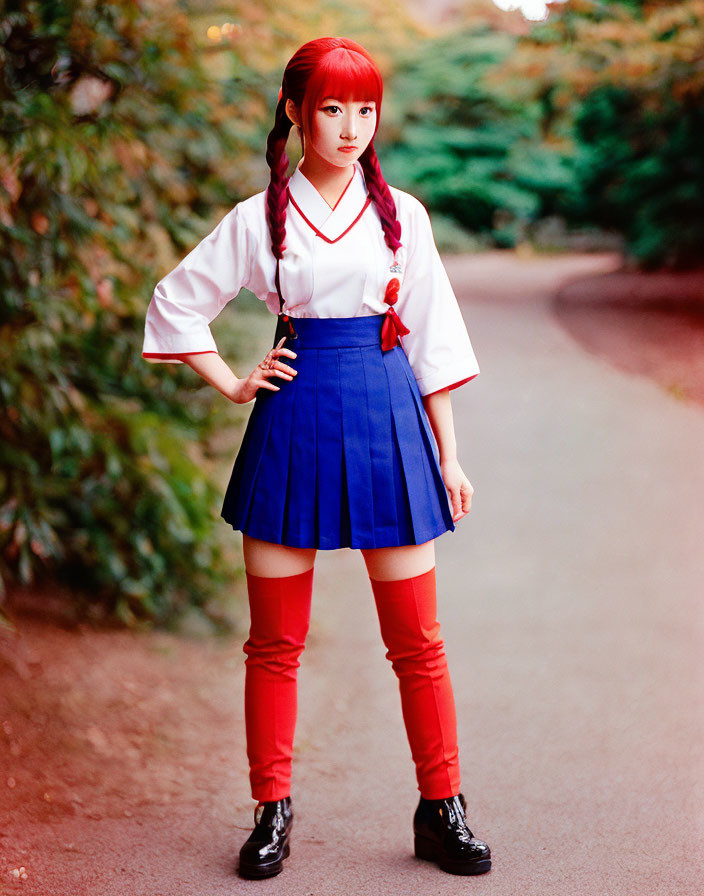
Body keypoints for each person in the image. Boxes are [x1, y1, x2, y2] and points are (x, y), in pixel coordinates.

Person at [142, 36, 491, 880]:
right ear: (296, 111)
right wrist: (232, 383)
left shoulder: (403, 213)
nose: (350, 127)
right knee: (274, 644)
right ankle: (271, 811)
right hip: (292, 418)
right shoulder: (259, 217)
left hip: (386, 415)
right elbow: (176, 300)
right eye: (331, 108)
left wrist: (449, 456)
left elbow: (431, 340)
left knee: (419, 641)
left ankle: (441, 807)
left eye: (365, 108)